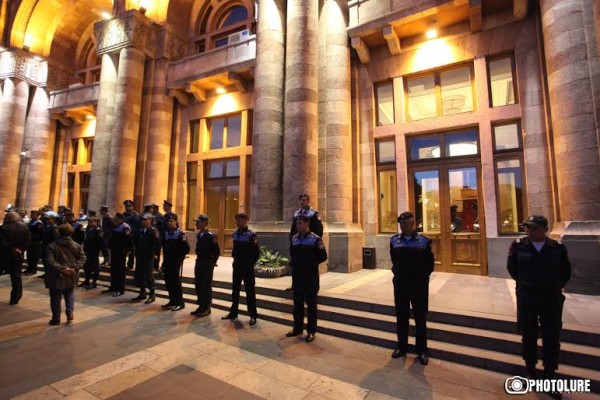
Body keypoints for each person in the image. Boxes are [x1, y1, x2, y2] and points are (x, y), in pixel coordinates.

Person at [507, 215, 571, 394]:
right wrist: (526, 285)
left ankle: (549, 376)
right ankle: (530, 371)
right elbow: (512, 269)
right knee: (528, 335)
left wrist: (552, 287)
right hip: (527, 297)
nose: (529, 230)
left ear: (545, 229)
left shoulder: (557, 248)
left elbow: (565, 272)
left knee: (551, 338)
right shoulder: (519, 246)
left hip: (550, 298)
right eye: (527, 227)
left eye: (534, 228)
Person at [390, 211, 434, 365]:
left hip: (418, 286)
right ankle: (401, 347)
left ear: (412, 223)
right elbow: (394, 261)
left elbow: (430, 264)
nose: (402, 226)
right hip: (401, 285)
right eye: (401, 223)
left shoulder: (424, 241)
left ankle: (421, 350)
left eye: (405, 223)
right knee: (401, 317)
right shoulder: (394, 241)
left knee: (420, 318)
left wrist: (421, 277)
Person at [286, 214, 327, 343]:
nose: (298, 225)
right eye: (297, 223)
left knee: (311, 305)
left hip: (310, 276)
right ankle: (297, 328)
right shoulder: (294, 239)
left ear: (307, 223)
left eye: (301, 223)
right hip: (297, 276)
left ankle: (311, 331)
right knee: (297, 304)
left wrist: (309, 263)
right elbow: (292, 253)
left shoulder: (315, 239)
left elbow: (322, 256)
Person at [222, 213, 259, 325]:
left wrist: (250, 264)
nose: (237, 221)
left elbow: (256, 253)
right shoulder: (235, 233)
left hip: (247, 267)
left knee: (250, 291)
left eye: (240, 219)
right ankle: (233, 312)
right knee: (235, 291)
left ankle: (253, 315)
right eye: (237, 219)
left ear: (246, 220)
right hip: (237, 266)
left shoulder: (251, 235)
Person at [45, 224, 86, 325]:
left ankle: (56, 318)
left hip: (57, 275)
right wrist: (74, 268)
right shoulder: (76, 245)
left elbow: (50, 261)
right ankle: (69, 313)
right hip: (72, 274)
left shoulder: (52, 246)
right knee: (69, 293)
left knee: (55, 297)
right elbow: (82, 258)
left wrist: (62, 269)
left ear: (59, 232)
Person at [286, 193, 324, 291]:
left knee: (311, 266)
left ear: (308, 201)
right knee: (296, 265)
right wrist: (292, 239)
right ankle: (295, 285)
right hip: (297, 242)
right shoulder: (297, 213)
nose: (302, 202)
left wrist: (314, 241)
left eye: (304, 200)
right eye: (301, 200)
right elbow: (293, 229)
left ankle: (314, 287)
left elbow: (319, 229)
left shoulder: (313, 214)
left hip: (309, 244)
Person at [190, 214, 220, 317]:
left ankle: (207, 307)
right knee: (198, 284)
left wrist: (212, 262)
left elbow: (216, 251)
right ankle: (201, 304)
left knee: (206, 285)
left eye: (198, 222)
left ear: (204, 223)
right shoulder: (199, 234)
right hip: (199, 261)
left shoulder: (211, 235)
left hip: (207, 263)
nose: (196, 224)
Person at [0, 212, 31, 304]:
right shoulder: (24, 227)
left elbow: (1, 242)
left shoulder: (3, 228)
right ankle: (15, 298)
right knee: (16, 277)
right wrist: (20, 250)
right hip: (18, 256)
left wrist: (12, 249)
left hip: (4, 255)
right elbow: (28, 241)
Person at [161, 214, 189, 311]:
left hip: (175, 261)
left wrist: (180, 258)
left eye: (171, 221)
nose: (169, 223)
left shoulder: (181, 234)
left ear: (176, 222)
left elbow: (186, 248)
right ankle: (172, 300)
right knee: (168, 281)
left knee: (175, 282)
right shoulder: (166, 233)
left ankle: (179, 302)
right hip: (167, 261)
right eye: (168, 221)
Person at [132, 213, 160, 304]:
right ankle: (142, 292)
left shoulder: (153, 231)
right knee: (140, 274)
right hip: (140, 255)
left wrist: (154, 254)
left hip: (148, 256)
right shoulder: (141, 231)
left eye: (145, 220)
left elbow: (156, 244)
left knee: (149, 276)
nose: (143, 221)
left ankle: (152, 295)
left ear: (150, 221)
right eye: (143, 220)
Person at [105, 213, 132, 297]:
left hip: (121, 252)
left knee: (120, 271)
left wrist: (126, 250)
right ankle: (113, 286)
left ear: (120, 218)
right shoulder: (117, 226)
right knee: (113, 269)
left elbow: (128, 240)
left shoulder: (125, 227)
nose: (115, 219)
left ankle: (120, 289)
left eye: (116, 218)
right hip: (115, 251)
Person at [81, 216, 103, 289]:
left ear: (95, 222)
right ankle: (87, 280)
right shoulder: (89, 229)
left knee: (95, 267)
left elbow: (100, 242)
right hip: (87, 250)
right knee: (87, 266)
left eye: (91, 221)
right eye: (89, 221)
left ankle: (94, 282)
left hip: (94, 251)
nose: (89, 223)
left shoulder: (98, 230)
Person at [25, 210, 44, 275]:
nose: (31, 215)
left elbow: (41, 234)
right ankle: (29, 268)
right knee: (29, 255)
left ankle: (33, 270)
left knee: (34, 256)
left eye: (33, 214)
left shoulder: (39, 223)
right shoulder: (30, 222)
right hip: (30, 241)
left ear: (37, 215)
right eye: (31, 214)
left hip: (36, 242)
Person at [123, 199, 139, 270]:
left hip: (131, 236)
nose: (128, 207)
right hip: (124, 236)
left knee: (131, 251)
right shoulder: (123, 214)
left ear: (132, 207)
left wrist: (133, 235)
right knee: (123, 250)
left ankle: (130, 264)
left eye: (129, 206)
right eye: (126, 206)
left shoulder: (135, 215)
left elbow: (136, 226)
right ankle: (122, 263)